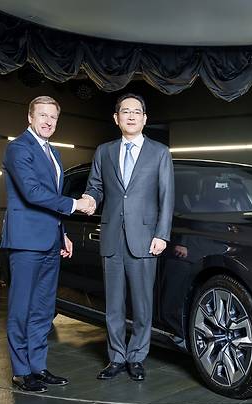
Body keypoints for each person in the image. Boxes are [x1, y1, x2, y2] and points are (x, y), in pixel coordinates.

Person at [1, 96, 93, 392]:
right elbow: (32, 192)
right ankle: (21, 371)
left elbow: (50, 200)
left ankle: (38, 367)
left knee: (43, 308)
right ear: (30, 117)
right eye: (42, 115)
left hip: (51, 241)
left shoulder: (53, 152)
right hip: (26, 242)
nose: (48, 121)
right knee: (22, 308)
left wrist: (62, 232)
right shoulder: (18, 148)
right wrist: (75, 205)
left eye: (53, 117)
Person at [82, 93, 174, 381]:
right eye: (125, 111)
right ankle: (116, 358)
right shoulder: (104, 151)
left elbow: (166, 196)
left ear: (145, 119)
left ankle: (137, 357)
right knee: (113, 305)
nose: (131, 116)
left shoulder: (159, 152)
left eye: (137, 111)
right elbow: (95, 187)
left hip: (145, 238)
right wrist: (89, 198)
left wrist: (162, 234)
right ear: (116, 118)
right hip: (111, 236)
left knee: (143, 304)